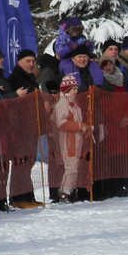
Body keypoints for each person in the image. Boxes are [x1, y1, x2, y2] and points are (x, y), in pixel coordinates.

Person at [51, 73, 90, 202]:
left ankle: (68, 191)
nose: (75, 92)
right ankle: (65, 193)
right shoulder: (63, 103)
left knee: (73, 167)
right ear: (66, 90)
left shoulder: (73, 104)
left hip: (76, 140)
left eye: (76, 89)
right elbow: (61, 123)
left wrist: (86, 128)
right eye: (73, 89)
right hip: (68, 140)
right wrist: (80, 126)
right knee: (71, 167)